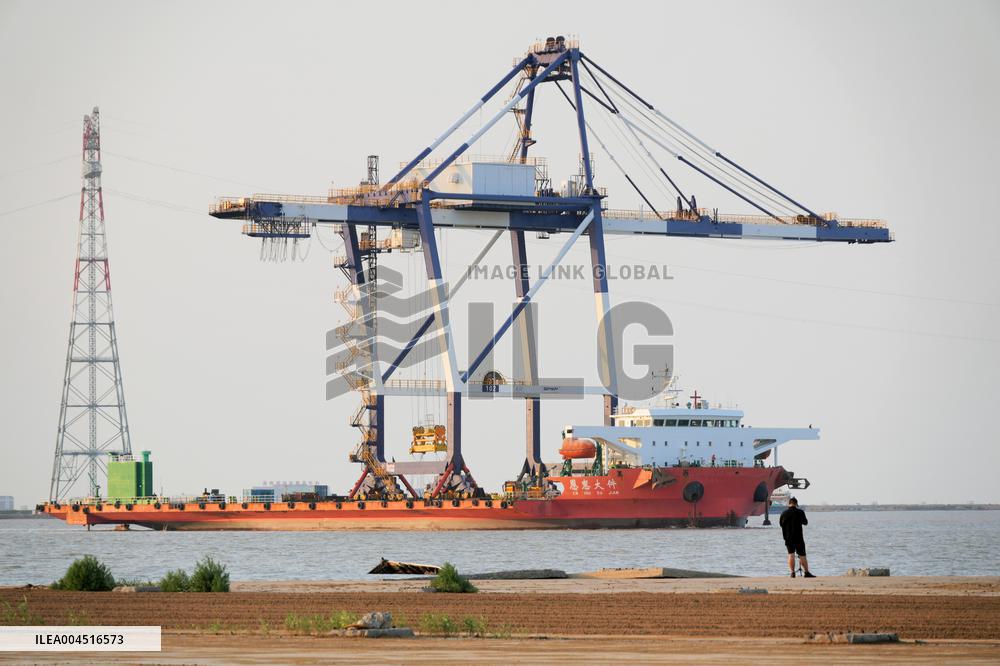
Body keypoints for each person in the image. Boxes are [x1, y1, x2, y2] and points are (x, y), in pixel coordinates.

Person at [779, 497, 815, 578]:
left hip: (788, 538)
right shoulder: (800, 512)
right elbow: (805, 522)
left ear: (789, 503)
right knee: (802, 555)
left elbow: (781, 524)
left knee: (791, 554)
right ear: (796, 504)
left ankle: (792, 573)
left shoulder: (784, 513)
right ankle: (806, 572)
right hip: (798, 537)